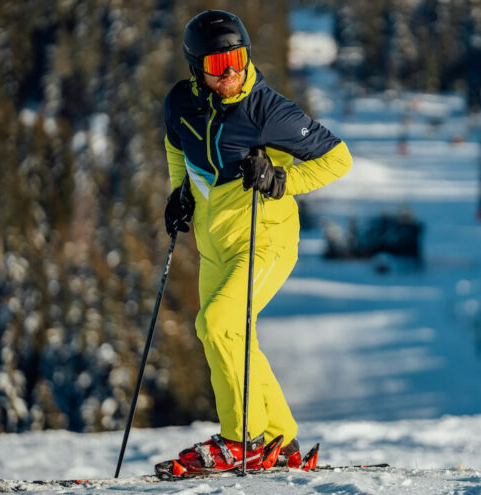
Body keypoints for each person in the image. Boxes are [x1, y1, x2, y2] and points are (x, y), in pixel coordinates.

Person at [156, 10, 351, 476]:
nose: (232, 73)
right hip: (214, 243)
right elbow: (176, 146)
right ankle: (281, 442)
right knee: (225, 333)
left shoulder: (266, 109)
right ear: (196, 68)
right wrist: (179, 192)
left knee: (220, 324)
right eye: (219, 65)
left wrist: (281, 178)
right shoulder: (181, 102)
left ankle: (243, 440)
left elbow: (338, 159)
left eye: (239, 60)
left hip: (265, 239)